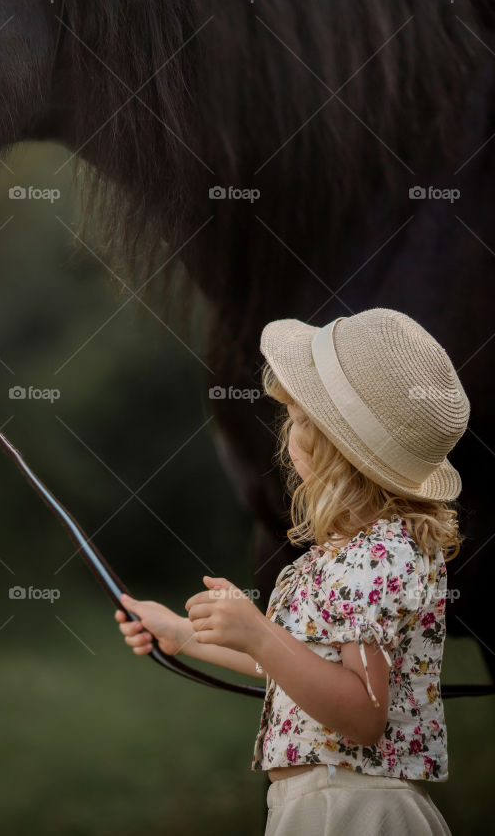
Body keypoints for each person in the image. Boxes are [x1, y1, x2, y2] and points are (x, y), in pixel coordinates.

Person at [116, 308, 467, 834]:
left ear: (339, 450)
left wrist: (258, 633)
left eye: (300, 418)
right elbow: (304, 669)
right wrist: (183, 635)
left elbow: (364, 713)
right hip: (322, 804)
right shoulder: (348, 553)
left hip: (352, 810)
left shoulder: (380, 557)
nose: (287, 432)